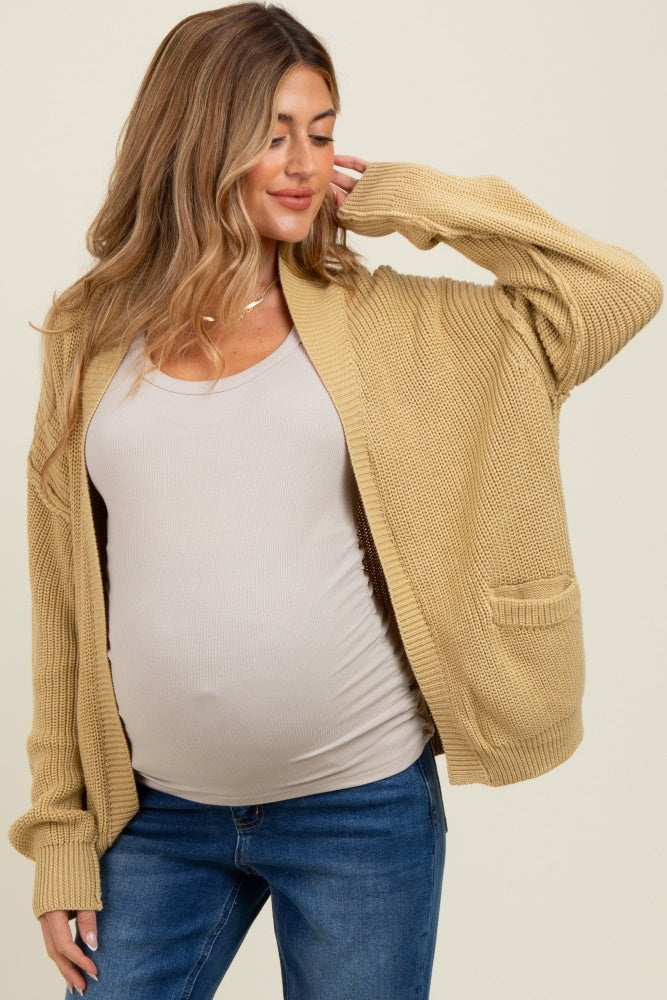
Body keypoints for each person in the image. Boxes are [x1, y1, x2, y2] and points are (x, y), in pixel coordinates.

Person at [7, 3, 663, 998]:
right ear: (195, 137)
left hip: (358, 811)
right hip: (156, 817)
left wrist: (416, 199)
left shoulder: (383, 319)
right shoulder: (88, 332)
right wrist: (61, 836)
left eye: (321, 133)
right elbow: (63, 606)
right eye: (273, 135)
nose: (304, 164)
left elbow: (615, 291)